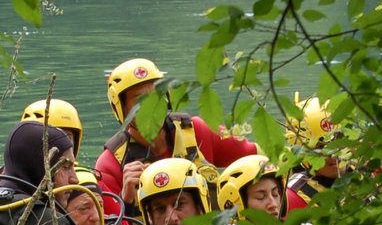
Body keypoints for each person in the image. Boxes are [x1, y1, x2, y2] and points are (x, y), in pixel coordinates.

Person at [93, 57, 258, 213]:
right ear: (121, 108)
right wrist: (126, 200)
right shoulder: (110, 165)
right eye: (140, 101)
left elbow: (261, 157)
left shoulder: (198, 131)